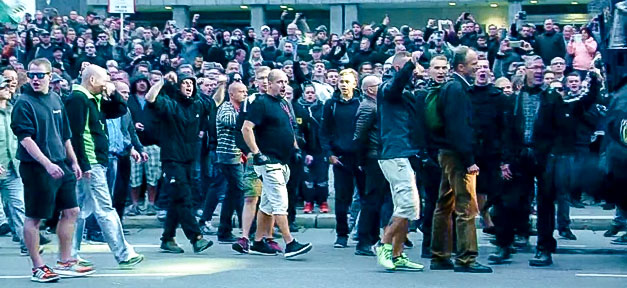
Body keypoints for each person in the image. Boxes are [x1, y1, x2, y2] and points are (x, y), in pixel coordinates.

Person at [11, 58, 94, 282]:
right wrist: (47, 164)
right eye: (31, 75)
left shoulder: (56, 98)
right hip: (36, 168)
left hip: (62, 164)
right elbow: (25, 139)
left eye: (40, 75)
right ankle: (38, 267)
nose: (35, 80)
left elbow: (65, 135)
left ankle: (66, 261)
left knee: (72, 211)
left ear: (50, 76)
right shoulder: (24, 102)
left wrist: (74, 162)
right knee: (34, 217)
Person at [64, 64, 144, 268]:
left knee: (80, 209)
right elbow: (75, 134)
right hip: (91, 162)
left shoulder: (95, 98)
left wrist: (113, 92)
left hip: (96, 160)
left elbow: (120, 110)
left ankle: (69, 254)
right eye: (104, 80)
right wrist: (82, 163)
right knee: (104, 208)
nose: (106, 84)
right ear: (92, 80)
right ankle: (123, 253)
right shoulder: (77, 99)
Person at [429, 47, 493, 273]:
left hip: (448, 153)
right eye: (474, 62)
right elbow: (459, 128)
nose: (478, 65)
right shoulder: (457, 89)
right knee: (466, 205)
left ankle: (439, 255)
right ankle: (466, 258)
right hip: (457, 155)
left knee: (444, 204)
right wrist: (469, 159)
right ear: (461, 67)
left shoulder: (452, 87)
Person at [241, 69, 312, 258]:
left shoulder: (284, 103)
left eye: (286, 82)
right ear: (270, 84)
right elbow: (246, 128)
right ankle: (290, 243)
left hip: (284, 160)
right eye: (279, 82)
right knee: (280, 202)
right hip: (269, 160)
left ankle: (257, 243)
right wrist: (257, 153)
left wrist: (296, 147)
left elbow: (289, 128)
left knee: (267, 205)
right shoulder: (261, 103)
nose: (283, 85)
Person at [144, 71, 214, 254]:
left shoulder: (197, 105)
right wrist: (162, 81)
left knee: (177, 199)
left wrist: (222, 84)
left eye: (191, 83)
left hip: (189, 159)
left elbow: (215, 102)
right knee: (184, 198)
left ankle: (167, 238)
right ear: (177, 86)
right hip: (172, 159)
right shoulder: (169, 104)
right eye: (185, 83)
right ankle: (196, 238)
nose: (189, 86)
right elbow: (150, 98)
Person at [374, 51, 425, 271]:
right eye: (411, 68)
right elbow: (396, 85)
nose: (417, 71)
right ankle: (383, 246)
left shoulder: (406, 91)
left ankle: (398, 254)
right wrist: (411, 65)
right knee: (407, 206)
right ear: (398, 69)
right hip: (395, 153)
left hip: (406, 153)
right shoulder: (387, 88)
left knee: (407, 208)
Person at [320, 68, 365, 248]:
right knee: (342, 199)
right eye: (341, 82)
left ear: (355, 83)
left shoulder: (362, 102)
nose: (344, 85)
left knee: (366, 197)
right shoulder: (331, 104)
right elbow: (324, 132)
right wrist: (329, 154)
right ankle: (341, 234)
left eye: (347, 82)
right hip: (340, 158)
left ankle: (366, 234)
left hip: (361, 158)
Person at [214, 82, 247, 243]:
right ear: (232, 94)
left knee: (232, 193)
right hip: (228, 155)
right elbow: (229, 120)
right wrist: (246, 115)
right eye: (241, 92)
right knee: (240, 190)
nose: (245, 94)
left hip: (237, 155)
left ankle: (224, 230)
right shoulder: (226, 108)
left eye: (246, 91)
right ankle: (248, 228)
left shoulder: (240, 109)